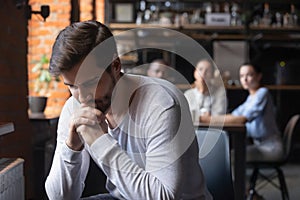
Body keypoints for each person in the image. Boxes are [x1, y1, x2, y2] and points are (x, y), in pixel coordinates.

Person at [45, 20, 212, 200]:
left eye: (91, 82)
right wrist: (71, 148)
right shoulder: (75, 106)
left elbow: (163, 197)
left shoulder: (162, 103)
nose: (82, 96)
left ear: (116, 66)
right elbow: (59, 197)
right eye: (72, 86)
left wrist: (100, 142)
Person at [201, 63, 283, 162]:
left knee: (229, 156)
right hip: (259, 146)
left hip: (270, 148)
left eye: (249, 75)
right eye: (242, 76)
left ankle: (235, 178)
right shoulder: (250, 98)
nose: (245, 79)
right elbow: (234, 116)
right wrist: (210, 119)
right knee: (227, 154)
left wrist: (209, 120)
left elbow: (242, 119)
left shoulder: (262, 93)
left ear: (259, 76)